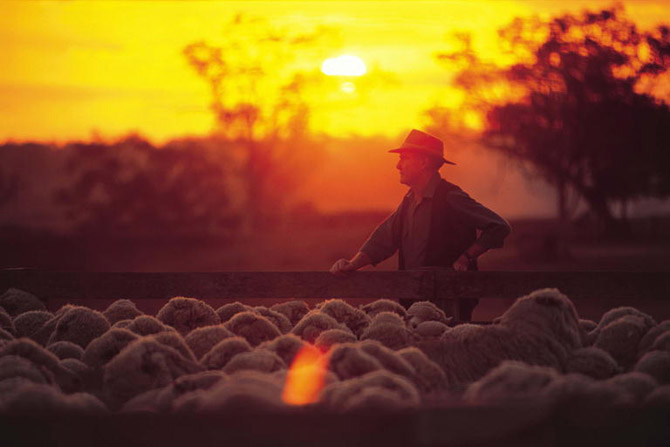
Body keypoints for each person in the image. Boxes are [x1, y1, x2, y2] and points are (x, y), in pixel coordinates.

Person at [329, 129, 511, 321]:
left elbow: (499, 227)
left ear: (424, 162)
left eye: (404, 158)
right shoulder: (409, 200)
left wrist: (466, 257)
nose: (398, 166)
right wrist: (352, 264)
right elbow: (384, 238)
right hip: (413, 298)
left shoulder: (451, 197)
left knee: (446, 346)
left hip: (448, 299)